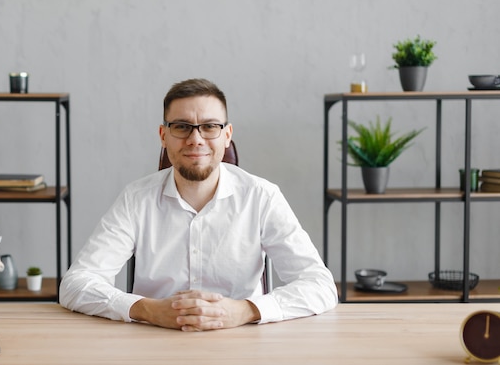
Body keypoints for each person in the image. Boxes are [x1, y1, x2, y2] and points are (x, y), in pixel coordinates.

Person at [59, 78, 338, 331]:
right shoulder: (136, 199)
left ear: (227, 135)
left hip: (244, 344)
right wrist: (147, 310)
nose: (196, 139)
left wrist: (245, 310)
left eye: (209, 127)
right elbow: (75, 284)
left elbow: (320, 285)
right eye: (181, 127)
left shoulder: (262, 197)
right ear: (163, 135)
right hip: (153, 343)